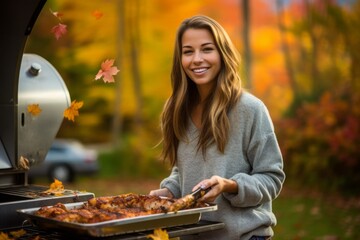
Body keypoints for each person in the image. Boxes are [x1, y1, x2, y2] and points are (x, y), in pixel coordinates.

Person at [149, 15, 285, 240]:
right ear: (180, 59)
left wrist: (229, 185)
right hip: (192, 235)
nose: (197, 59)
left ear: (222, 53)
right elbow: (185, 167)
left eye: (207, 49)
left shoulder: (250, 109)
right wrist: (171, 189)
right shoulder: (176, 109)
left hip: (244, 236)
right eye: (188, 51)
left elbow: (272, 178)